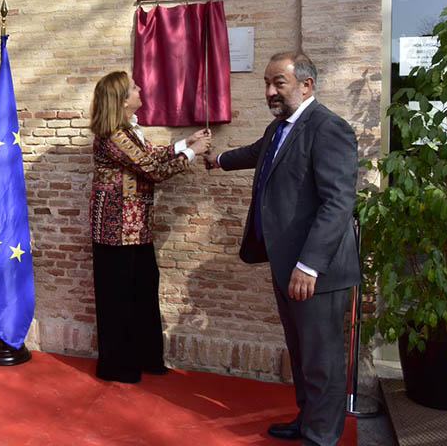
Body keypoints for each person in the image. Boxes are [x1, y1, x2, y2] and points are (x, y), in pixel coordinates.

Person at [204, 52, 359, 446]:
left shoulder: (328, 128)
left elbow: (337, 203)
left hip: (316, 271)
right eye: (267, 84)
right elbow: (258, 153)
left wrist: (309, 266)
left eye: (279, 84)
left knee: (321, 360)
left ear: (306, 85)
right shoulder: (281, 127)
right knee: (302, 353)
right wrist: (218, 160)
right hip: (287, 264)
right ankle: (308, 420)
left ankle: (322, 437)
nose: (271, 92)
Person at [89, 71, 211, 384]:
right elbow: (152, 169)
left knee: (143, 291)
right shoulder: (113, 135)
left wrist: (187, 142)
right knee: (119, 298)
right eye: (132, 87)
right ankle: (117, 365)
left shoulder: (130, 130)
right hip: (115, 232)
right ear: (121, 99)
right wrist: (192, 154)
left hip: (137, 228)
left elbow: (152, 155)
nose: (139, 88)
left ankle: (147, 358)